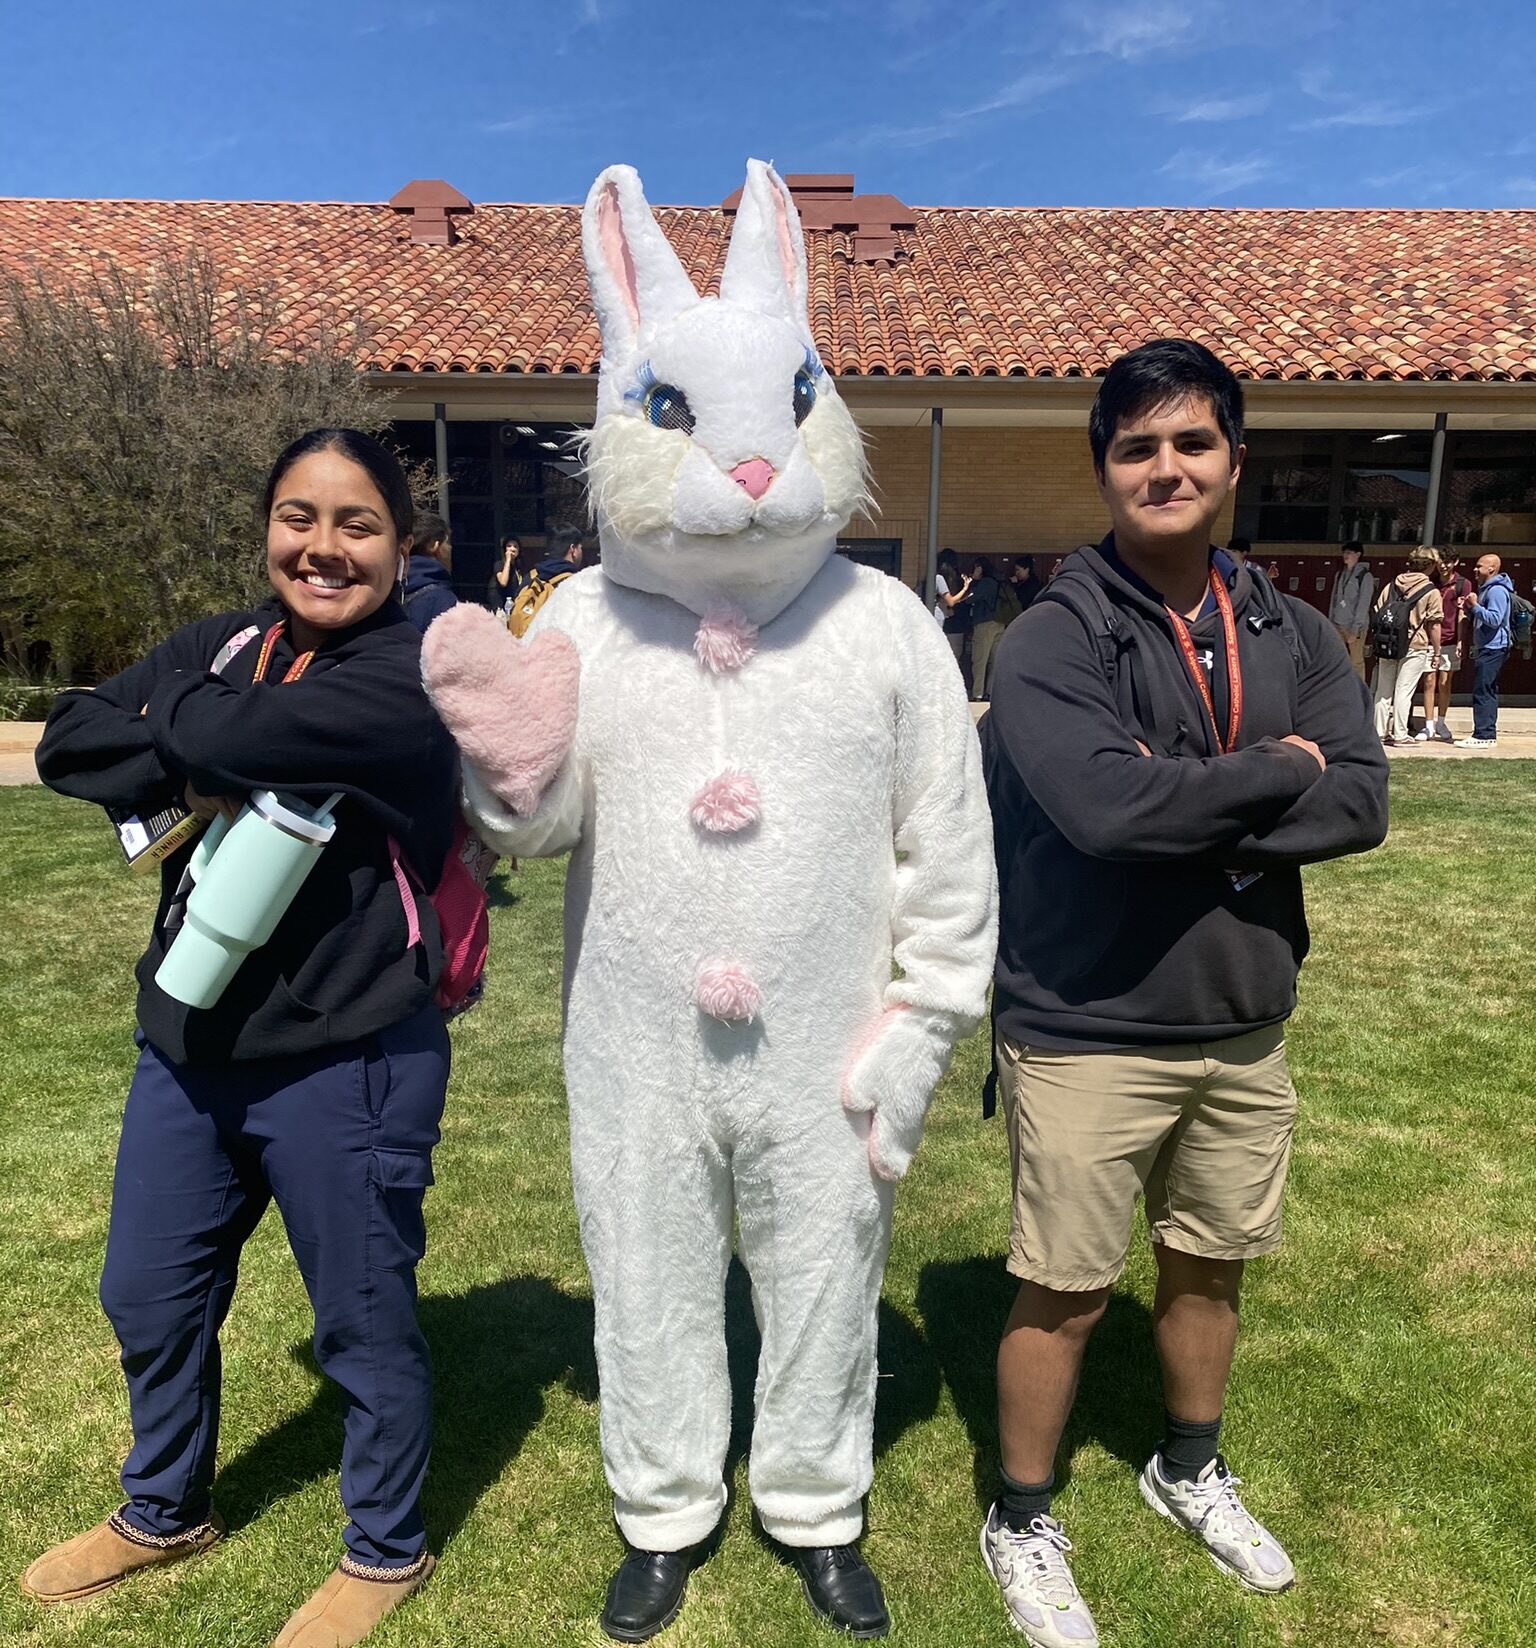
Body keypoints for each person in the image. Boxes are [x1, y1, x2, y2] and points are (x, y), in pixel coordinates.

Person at [423, 158, 996, 1643]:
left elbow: (950, 845)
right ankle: (665, 1508)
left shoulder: (882, 627)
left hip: (828, 1033)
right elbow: (537, 833)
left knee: (826, 1275)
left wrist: (925, 1027)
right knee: (647, 1269)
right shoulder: (592, 622)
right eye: (681, 413)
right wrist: (506, 767)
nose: (747, 468)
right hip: (635, 1039)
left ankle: (815, 1505)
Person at [979, 339, 1387, 1646]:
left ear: (1232, 460)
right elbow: (1099, 807)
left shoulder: (1293, 624)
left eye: (1191, 442)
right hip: (1087, 1020)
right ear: (1103, 468)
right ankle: (1022, 1516)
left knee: (1211, 1270)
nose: (1166, 467)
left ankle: (1188, 1467)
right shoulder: (1052, 635)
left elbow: (1363, 799)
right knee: (1069, 1288)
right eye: (1137, 446)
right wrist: (1276, 768)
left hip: (1242, 1018)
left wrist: (1187, 806)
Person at [27, 429, 460, 1648]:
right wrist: (196, 720)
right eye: (298, 517)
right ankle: (162, 1507)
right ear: (269, 526)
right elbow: (69, 741)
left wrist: (174, 723)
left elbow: (216, 742)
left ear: (399, 541)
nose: (322, 547)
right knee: (147, 1295)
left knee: (361, 1321)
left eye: (356, 524)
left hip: (351, 1050)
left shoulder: (418, 663)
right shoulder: (226, 641)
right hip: (188, 1044)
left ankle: (384, 1546)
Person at [1369, 547, 1442, 746]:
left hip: (1388, 643)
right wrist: (1437, 651)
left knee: (1383, 690)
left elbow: (1377, 610)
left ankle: (1379, 732)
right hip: (1415, 644)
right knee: (1404, 691)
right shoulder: (1431, 591)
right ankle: (1400, 734)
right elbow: (1434, 624)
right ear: (1431, 566)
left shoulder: (1392, 585)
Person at [1456, 552, 1516, 747]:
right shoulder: (1485, 589)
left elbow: (1495, 619)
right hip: (1487, 647)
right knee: (1485, 689)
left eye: (1479, 566)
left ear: (1491, 569)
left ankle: (1484, 734)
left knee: (1484, 690)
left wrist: (1474, 607)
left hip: (1494, 647)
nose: (1475, 569)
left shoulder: (1497, 590)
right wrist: (1468, 608)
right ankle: (1484, 732)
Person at [1417, 553, 1469, 743]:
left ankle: (1441, 721)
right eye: (1440, 562)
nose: (1443, 566)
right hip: (1430, 640)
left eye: (1447, 562)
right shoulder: (1431, 582)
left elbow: (1462, 614)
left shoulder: (1462, 584)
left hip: (1450, 639)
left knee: (1445, 683)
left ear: (1455, 562)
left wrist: (1461, 640)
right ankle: (1428, 724)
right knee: (1429, 681)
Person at [402, 509, 459, 634]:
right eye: (447, 542)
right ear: (434, 545)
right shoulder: (441, 600)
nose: (450, 548)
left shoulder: (384, 591)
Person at [1328, 540, 1374, 680]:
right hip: (1338, 624)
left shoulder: (1365, 576)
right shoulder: (1340, 574)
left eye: (1349, 552)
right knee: (1337, 660)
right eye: (1344, 552)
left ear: (1358, 554)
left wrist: (1355, 629)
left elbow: (1363, 604)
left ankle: (1359, 692)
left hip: (1354, 627)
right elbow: (1334, 600)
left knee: (1356, 662)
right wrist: (1330, 622)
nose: (1345, 555)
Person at [968, 557, 1004, 701]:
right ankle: (990, 692)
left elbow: (970, 598)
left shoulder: (985, 583)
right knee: (994, 660)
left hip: (984, 623)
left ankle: (978, 693)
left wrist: (974, 580)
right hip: (1000, 622)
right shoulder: (999, 580)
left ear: (980, 568)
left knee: (980, 660)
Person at [488, 534, 521, 616]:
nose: (512, 549)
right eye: (509, 546)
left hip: (511, 604)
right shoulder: (499, 565)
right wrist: (508, 560)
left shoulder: (519, 566)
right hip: (499, 604)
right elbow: (503, 582)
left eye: (515, 546)